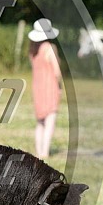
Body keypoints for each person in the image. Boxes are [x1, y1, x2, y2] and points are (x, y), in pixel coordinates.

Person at [28, 18, 62, 159]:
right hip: (49, 86)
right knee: (50, 120)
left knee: (40, 121)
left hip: (37, 86)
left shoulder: (32, 49)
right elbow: (57, 71)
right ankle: (45, 152)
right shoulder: (49, 48)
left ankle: (38, 151)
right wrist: (59, 86)